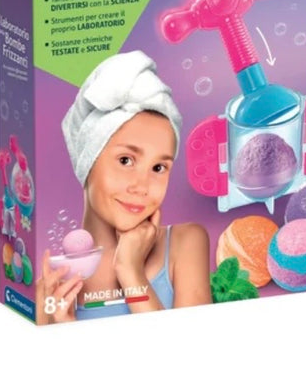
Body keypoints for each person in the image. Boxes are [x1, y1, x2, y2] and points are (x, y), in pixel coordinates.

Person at [36, 51, 211, 323]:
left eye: (158, 167)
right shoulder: (52, 289)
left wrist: (130, 271)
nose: (142, 186)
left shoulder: (185, 243)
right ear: (88, 161)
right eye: (126, 160)